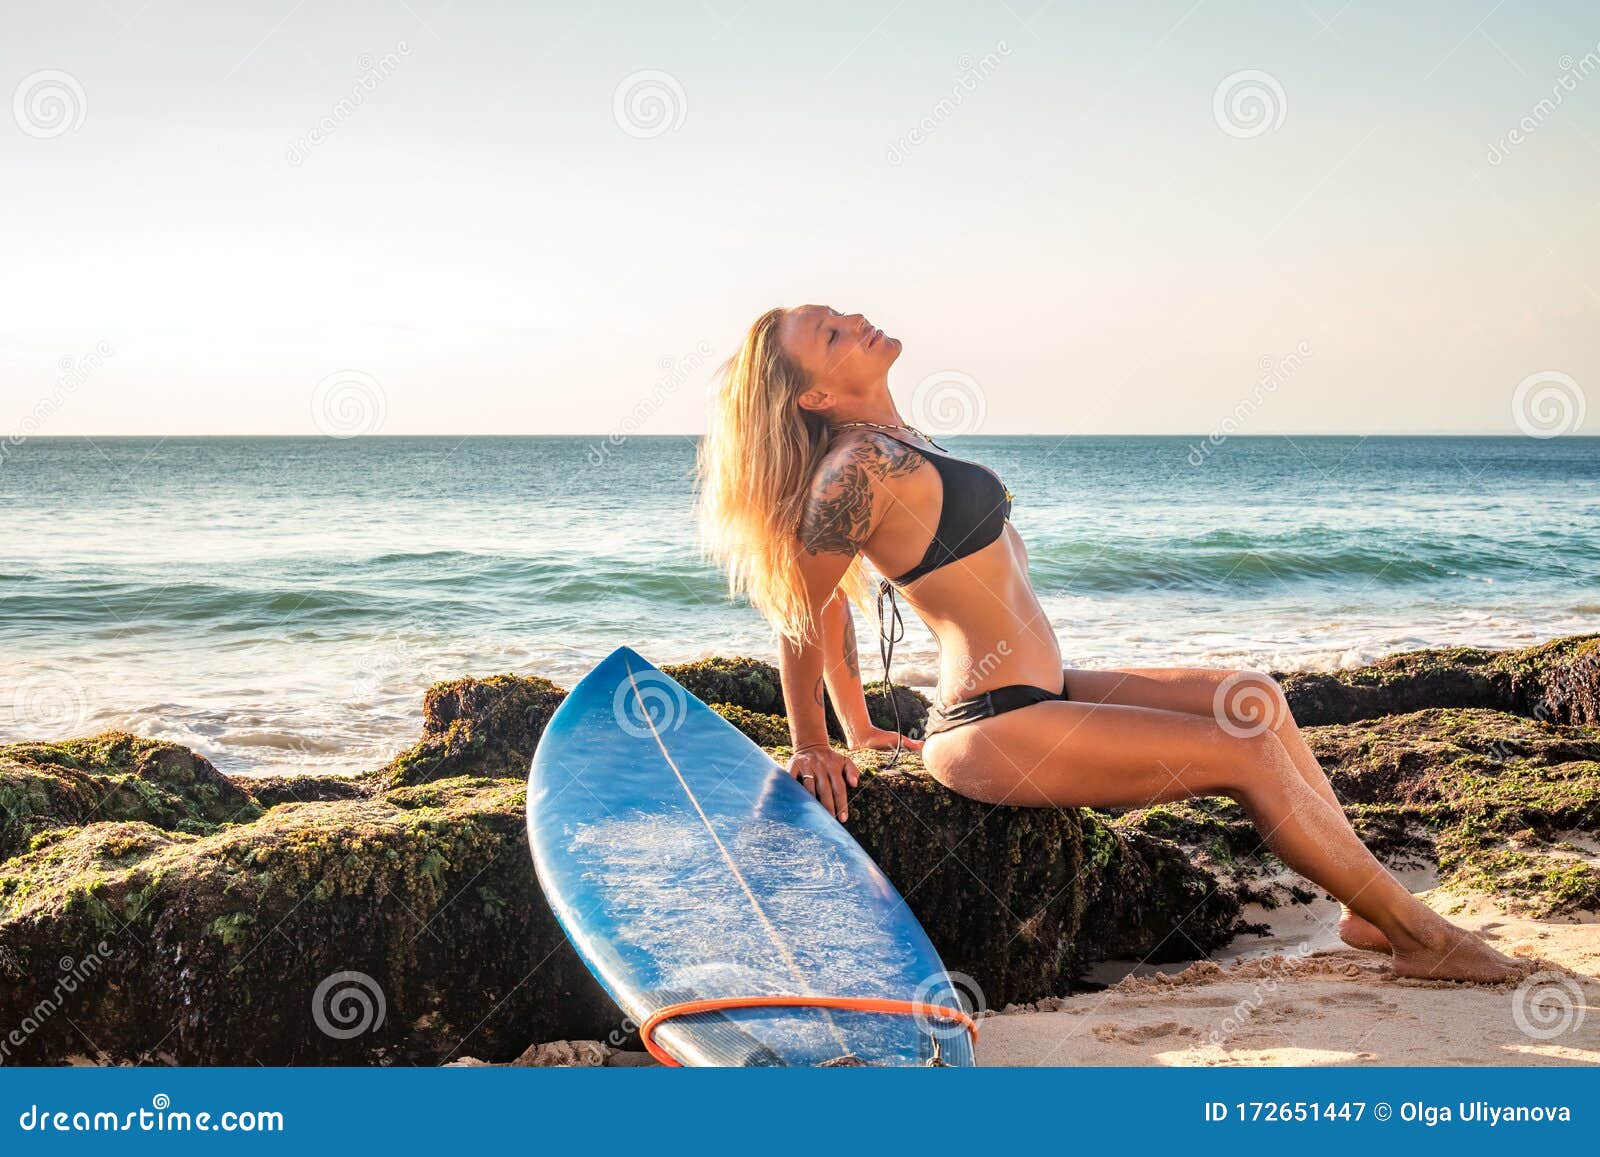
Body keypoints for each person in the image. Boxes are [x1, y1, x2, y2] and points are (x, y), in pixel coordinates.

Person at [694, 304, 1527, 983]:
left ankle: (1360, 910)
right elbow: (802, 611)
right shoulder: (855, 469)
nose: (855, 319)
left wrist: (864, 726)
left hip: (1042, 691)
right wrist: (814, 743)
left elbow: (835, 609)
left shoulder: (898, 441)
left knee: (1255, 698)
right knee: (1246, 751)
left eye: (839, 314)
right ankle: (1418, 932)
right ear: (815, 398)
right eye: (831, 335)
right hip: (988, 725)